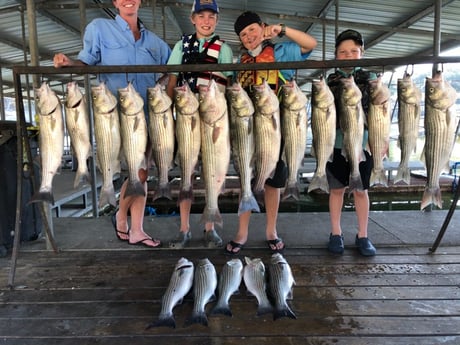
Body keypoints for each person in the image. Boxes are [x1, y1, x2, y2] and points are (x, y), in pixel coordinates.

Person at [53, 0, 171, 248]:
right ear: (115, 2)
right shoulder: (99, 28)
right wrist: (69, 64)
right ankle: (121, 217)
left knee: (142, 173)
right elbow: (85, 63)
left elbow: (172, 69)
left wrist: (163, 90)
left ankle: (135, 227)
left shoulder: (155, 42)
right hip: (113, 118)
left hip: (146, 118)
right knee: (135, 173)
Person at [225, 11, 317, 254]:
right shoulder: (240, 64)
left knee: (274, 184)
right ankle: (242, 233)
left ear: (263, 27)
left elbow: (310, 45)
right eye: (243, 34)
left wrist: (282, 30)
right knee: (247, 179)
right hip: (246, 134)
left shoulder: (281, 52)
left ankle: (271, 230)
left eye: (252, 30)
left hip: (275, 131)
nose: (248, 36)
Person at [165, 0, 233, 249]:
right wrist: (169, 112)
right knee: (187, 172)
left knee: (212, 171)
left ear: (216, 20)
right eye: (201, 16)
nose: (206, 21)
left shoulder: (224, 49)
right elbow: (172, 80)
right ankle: (184, 229)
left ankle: (210, 227)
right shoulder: (180, 46)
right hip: (187, 118)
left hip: (215, 118)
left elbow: (230, 84)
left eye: (211, 17)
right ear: (192, 18)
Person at [325, 29, 377, 256]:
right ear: (336, 55)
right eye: (343, 52)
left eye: (353, 51)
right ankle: (336, 232)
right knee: (336, 190)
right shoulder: (330, 80)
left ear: (361, 52)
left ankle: (363, 234)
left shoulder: (370, 78)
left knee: (361, 191)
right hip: (336, 144)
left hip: (362, 145)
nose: (348, 55)